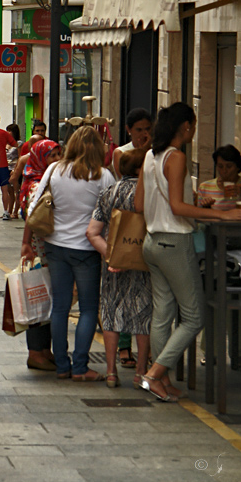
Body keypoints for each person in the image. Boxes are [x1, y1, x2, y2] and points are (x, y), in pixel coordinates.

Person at [134, 103, 241, 401]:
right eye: (193, 125)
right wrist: (223, 216)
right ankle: (155, 374)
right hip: (174, 242)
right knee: (195, 317)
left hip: (152, 242)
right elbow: (177, 208)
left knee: (163, 313)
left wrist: (196, 205)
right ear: (185, 126)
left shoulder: (149, 155)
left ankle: (164, 380)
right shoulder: (177, 157)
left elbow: (139, 205)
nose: (194, 130)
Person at [22, 126, 115, 381]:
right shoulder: (104, 176)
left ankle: (62, 365)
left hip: (56, 246)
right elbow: (113, 213)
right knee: (87, 308)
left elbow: (34, 205)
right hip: (87, 249)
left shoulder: (54, 170)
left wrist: (26, 242)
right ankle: (81, 366)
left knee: (60, 307)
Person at [85, 148, 152, 389]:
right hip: (145, 262)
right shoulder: (149, 194)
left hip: (113, 264)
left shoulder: (107, 193)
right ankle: (141, 372)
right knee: (144, 315)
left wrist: (112, 257)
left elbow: (92, 232)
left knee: (112, 314)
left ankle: (112, 372)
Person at [15, 139, 61, 371]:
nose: (58, 160)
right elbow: (32, 217)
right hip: (38, 250)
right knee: (39, 300)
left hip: (44, 248)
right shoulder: (37, 185)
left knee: (46, 300)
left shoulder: (43, 181)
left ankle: (44, 350)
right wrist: (25, 244)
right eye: (52, 156)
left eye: (59, 155)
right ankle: (36, 353)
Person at [197, 144, 241, 210]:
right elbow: (199, 215)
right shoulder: (205, 187)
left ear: (238, 167)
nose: (224, 170)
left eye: (229, 166)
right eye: (220, 166)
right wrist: (206, 207)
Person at [112, 108, 152, 179]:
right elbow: (126, 179)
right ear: (128, 129)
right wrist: (142, 152)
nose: (144, 134)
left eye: (147, 129)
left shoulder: (156, 151)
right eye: (139, 130)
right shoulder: (120, 152)